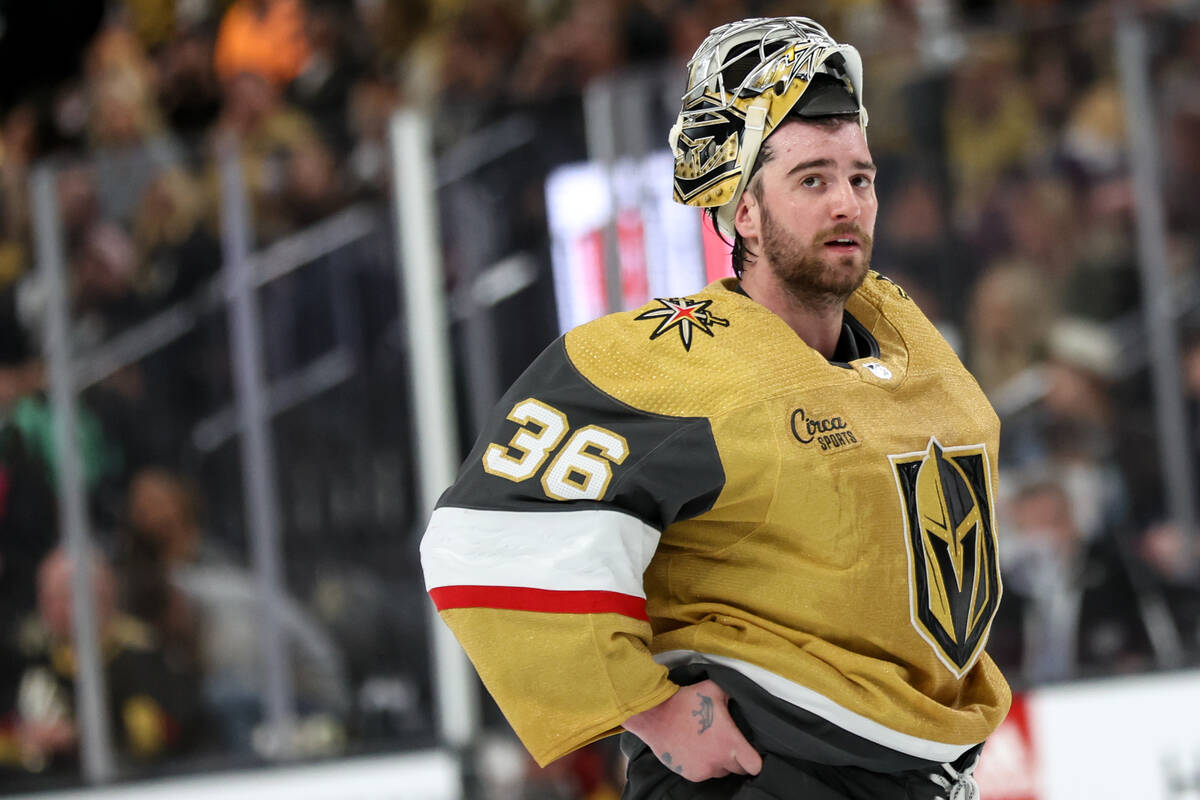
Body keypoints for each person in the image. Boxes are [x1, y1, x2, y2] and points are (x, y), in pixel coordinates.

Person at [421, 17, 1010, 799]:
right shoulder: (676, 360)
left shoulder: (898, 326)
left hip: (918, 775)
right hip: (761, 777)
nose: (847, 203)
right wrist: (650, 712)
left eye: (860, 177)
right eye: (812, 180)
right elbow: (484, 534)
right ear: (743, 212)